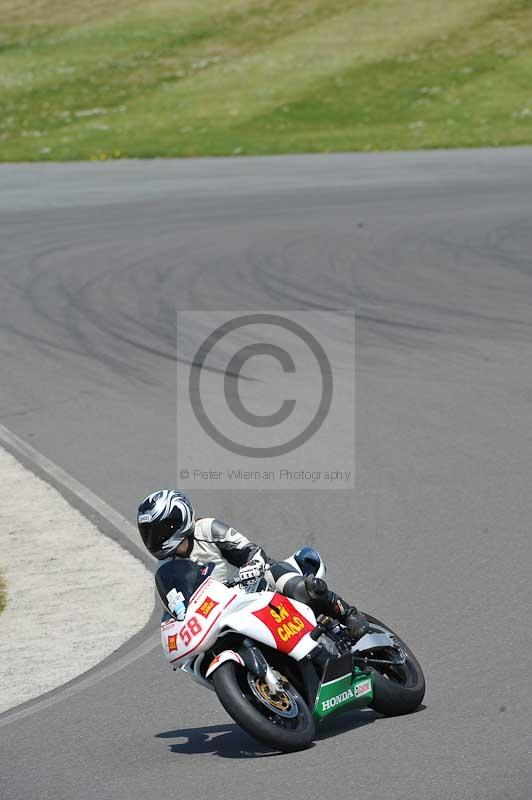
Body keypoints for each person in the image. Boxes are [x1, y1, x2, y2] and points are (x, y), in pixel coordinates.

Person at [137, 489, 368, 640]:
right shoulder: (165, 568)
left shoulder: (207, 529)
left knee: (301, 587)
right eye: (148, 533)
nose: (154, 539)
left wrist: (252, 566)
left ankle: (348, 614)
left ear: (180, 520)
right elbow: (176, 606)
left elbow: (250, 550)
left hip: (257, 581)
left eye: (159, 530)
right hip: (222, 611)